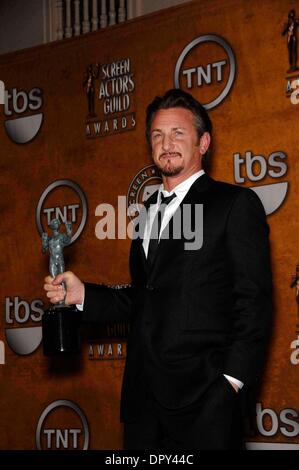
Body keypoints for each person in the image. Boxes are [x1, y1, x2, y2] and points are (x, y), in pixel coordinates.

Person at [43, 89, 272, 450]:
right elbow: (144, 299)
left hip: (205, 402)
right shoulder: (148, 210)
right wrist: (82, 294)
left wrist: (230, 383)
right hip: (142, 406)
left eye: (178, 133)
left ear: (204, 142)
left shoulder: (234, 205)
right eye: (157, 135)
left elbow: (254, 304)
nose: (166, 144)